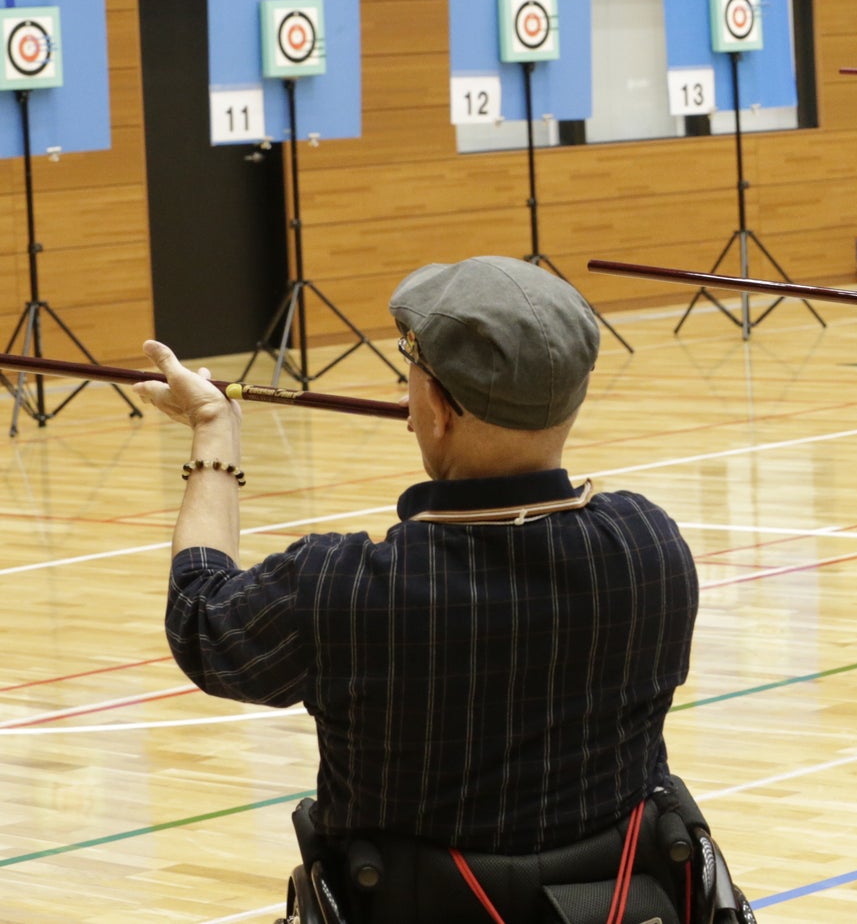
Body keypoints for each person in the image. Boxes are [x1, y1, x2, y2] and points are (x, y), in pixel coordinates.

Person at [143, 257, 714, 921]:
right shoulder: (650, 545)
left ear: (438, 408)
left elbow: (202, 616)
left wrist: (214, 430)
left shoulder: (347, 589)